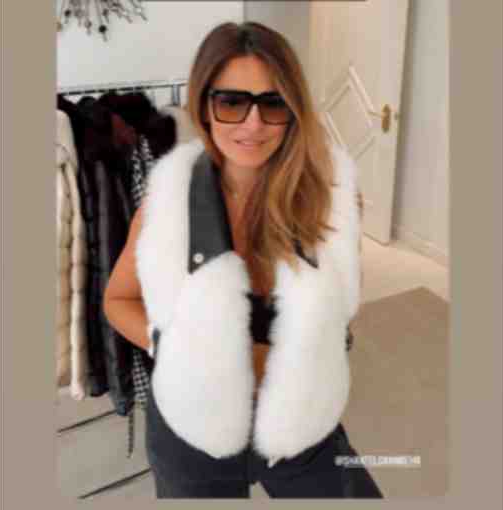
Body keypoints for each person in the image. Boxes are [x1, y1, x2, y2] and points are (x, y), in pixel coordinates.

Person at [103, 21, 382, 499]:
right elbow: (117, 299)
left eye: (272, 103)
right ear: (204, 105)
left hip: (305, 422)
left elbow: (342, 303)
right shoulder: (168, 203)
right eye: (232, 102)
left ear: (293, 110)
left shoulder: (332, 199)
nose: (253, 124)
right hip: (192, 427)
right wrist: (170, 344)